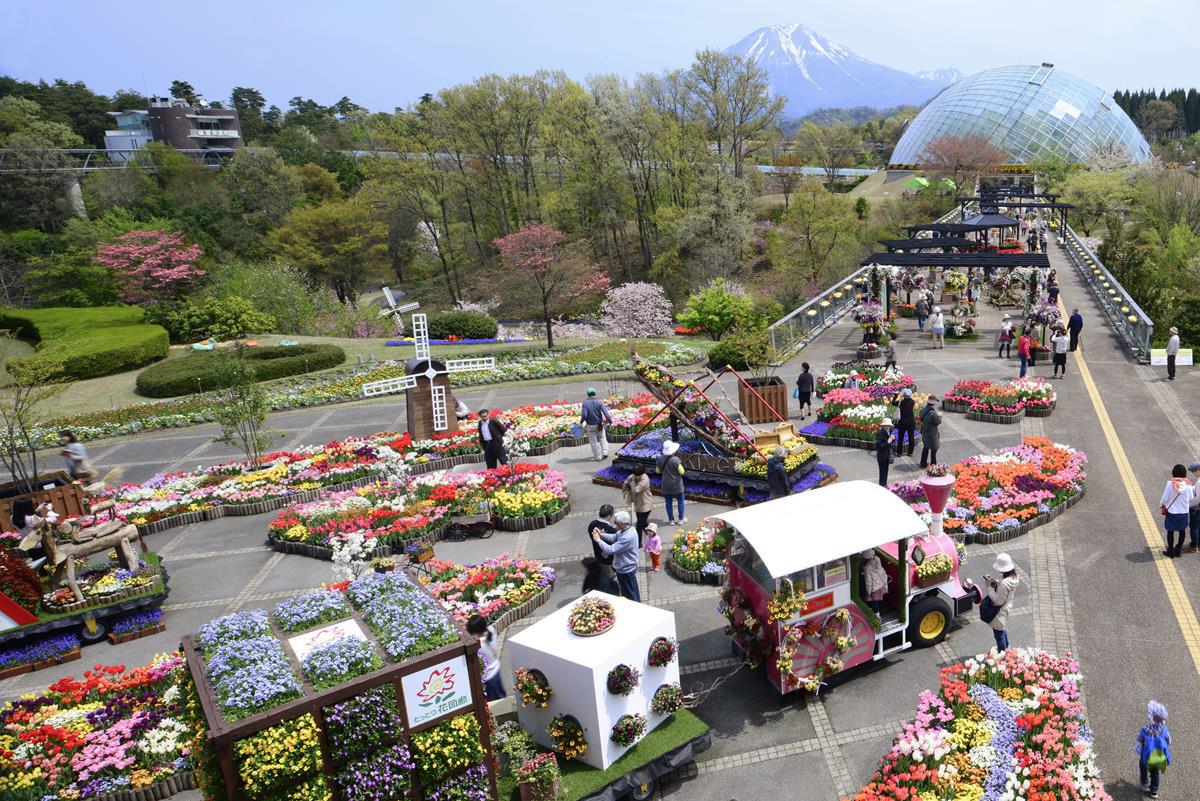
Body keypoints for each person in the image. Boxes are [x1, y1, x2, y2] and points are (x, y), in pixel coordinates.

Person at [592, 510, 640, 601]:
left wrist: (598, 540)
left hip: (626, 570)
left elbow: (611, 550)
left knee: (630, 594)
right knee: (629, 591)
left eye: (616, 523)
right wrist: (601, 534)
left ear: (623, 523)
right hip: (623, 569)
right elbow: (614, 537)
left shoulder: (627, 537)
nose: (614, 525)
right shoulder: (625, 530)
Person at [984, 553, 1019, 651]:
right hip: (1008, 605)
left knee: (998, 633)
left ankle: (1003, 653)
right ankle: (1007, 647)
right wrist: (997, 583)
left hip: (1000, 611)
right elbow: (1006, 588)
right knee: (1002, 629)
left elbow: (998, 601)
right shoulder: (1015, 576)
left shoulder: (1004, 583)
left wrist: (989, 588)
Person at [1136, 700, 1171, 798]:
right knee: (1155, 772)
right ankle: (1154, 791)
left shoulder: (1146, 728)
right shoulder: (1164, 730)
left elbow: (1139, 738)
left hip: (1146, 755)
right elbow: (1168, 741)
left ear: (1152, 717)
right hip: (1157, 755)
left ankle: (1144, 784)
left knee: (1143, 767)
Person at [467, 615, 506, 701]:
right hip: (496, 670)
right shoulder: (491, 631)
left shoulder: (480, 645)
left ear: (475, 632)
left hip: (490, 677)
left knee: (495, 700)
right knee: (501, 695)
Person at [1161, 463, 1194, 557]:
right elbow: (1191, 498)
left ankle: (1170, 550)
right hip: (1183, 512)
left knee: (1170, 531)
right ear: (1185, 474)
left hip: (1172, 512)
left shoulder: (1170, 484)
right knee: (1182, 530)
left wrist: (1162, 505)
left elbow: (1164, 499)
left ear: (1173, 473)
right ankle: (1178, 549)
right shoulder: (1188, 485)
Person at [656, 441, 686, 525]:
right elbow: (682, 472)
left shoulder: (660, 459)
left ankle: (671, 520)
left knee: (668, 502)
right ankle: (681, 519)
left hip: (666, 484)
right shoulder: (675, 460)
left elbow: (657, 471)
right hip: (677, 484)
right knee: (680, 501)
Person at [622, 464, 653, 544]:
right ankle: (652, 539)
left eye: (639, 475)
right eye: (636, 475)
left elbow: (635, 490)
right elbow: (627, 481)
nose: (637, 477)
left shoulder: (645, 480)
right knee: (643, 524)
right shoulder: (634, 476)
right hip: (638, 505)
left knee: (639, 525)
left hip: (645, 506)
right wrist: (626, 485)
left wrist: (630, 484)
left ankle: (639, 543)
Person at [580, 388, 613, 461]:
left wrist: (581, 422)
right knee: (602, 438)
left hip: (590, 425)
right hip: (599, 425)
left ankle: (598, 457)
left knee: (593, 441)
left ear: (587, 394)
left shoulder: (585, 403)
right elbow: (606, 414)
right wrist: (610, 421)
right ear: (595, 394)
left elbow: (584, 415)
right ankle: (605, 452)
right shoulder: (599, 402)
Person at [861, 549, 889, 613]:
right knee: (880, 600)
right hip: (882, 584)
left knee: (874, 603)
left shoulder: (867, 567)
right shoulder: (877, 559)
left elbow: (868, 582)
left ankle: (877, 616)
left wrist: (868, 592)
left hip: (875, 588)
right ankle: (881, 610)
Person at [918, 397, 941, 468]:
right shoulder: (933, 413)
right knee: (934, 450)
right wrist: (939, 416)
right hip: (932, 434)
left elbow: (921, 418)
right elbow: (938, 422)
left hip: (924, 432)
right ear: (933, 404)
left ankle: (923, 463)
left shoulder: (923, 410)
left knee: (925, 448)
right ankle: (933, 465)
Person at [895, 388, 916, 457]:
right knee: (911, 437)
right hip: (911, 422)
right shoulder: (912, 402)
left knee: (900, 437)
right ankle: (910, 452)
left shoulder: (901, 402)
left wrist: (896, 395)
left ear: (903, 395)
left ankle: (899, 452)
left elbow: (893, 402)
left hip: (902, 422)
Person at [875, 419, 895, 486]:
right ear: (883, 425)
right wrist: (887, 442)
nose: (887, 427)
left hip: (887, 455)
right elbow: (879, 445)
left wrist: (893, 439)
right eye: (886, 425)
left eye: (888, 425)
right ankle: (882, 485)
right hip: (882, 456)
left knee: (886, 471)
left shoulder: (889, 431)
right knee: (882, 472)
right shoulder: (881, 433)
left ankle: (884, 484)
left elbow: (891, 442)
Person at [1189, 461, 1200, 553]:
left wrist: (1189, 505)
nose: (1193, 473)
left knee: (1194, 527)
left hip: (1197, 508)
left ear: (1198, 470)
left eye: (1194, 471)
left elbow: (1198, 498)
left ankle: (1194, 546)